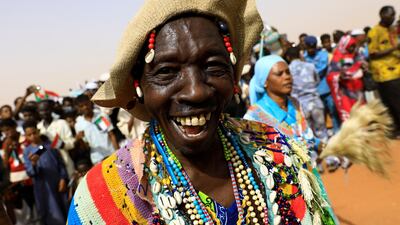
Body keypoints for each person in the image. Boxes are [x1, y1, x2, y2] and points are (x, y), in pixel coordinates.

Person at [67, 1, 337, 224]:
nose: (196, 92)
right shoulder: (106, 194)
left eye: (213, 66)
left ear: (233, 76)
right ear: (139, 85)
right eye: (166, 72)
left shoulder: (276, 153)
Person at [23, 120, 69, 225]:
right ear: (26, 136)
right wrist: (33, 163)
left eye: (34, 133)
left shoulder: (48, 145)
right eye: (29, 135)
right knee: (52, 212)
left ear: (38, 131)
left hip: (58, 182)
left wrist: (63, 178)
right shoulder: (27, 151)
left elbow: (60, 163)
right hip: (43, 187)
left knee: (65, 207)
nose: (33, 136)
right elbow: (30, 172)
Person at [368, 5, 400, 135]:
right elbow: (372, 54)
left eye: (393, 15)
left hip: (397, 71)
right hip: (385, 74)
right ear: (382, 15)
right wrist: (394, 49)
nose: (392, 18)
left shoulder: (392, 30)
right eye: (390, 16)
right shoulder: (374, 32)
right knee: (392, 103)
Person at [285, 47, 328, 142]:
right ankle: (326, 153)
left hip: (300, 106)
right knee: (321, 132)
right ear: (300, 54)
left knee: (307, 135)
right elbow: (317, 81)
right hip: (315, 102)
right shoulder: (310, 66)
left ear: (288, 57)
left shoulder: (287, 70)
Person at [304, 35, 341, 133]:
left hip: (327, 90)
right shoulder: (303, 57)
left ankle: (337, 133)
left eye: (313, 47)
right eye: (309, 47)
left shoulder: (323, 55)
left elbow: (320, 70)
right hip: (314, 93)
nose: (311, 49)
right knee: (319, 118)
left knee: (333, 113)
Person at [326, 35, 365, 122]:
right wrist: (339, 76)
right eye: (350, 46)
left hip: (358, 91)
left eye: (353, 46)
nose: (352, 48)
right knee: (351, 118)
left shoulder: (356, 55)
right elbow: (330, 75)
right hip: (345, 93)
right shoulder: (337, 58)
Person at [74, 94, 119, 164]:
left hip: (111, 154)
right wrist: (79, 140)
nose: (85, 107)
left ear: (90, 103)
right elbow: (86, 147)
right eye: (81, 106)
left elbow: (111, 135)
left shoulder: (100, 116)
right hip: (97, 159)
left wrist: (118, 152)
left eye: (86, 104)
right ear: (78, 108)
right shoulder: (79, 125)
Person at [37, 100, 76, 177]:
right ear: (38, 112)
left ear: (51, 109)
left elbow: (71, 143)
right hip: (49, 165)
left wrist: (59, 143)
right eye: (41, 110)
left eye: (46, 109)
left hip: (64, 160)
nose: (44, 112)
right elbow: (41, 148)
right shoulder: (39, 127)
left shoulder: (61, 123)